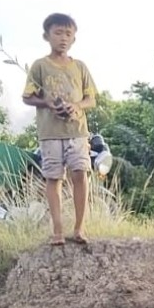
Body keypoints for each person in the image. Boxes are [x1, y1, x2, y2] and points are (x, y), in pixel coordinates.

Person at [21, 13, 98, 247]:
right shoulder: (40, 66)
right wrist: (48, 104)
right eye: (58, 33)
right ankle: (57, 230)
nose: (63, 38)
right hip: (51, 133)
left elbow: (91, 99)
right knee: (53, 178)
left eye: (68, 34)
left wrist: (76, 106)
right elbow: (27, 97)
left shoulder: (80, 67)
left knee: (80, 175)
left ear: (74, 38)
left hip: (77, 131)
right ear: (47, 36)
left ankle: (79, 227)